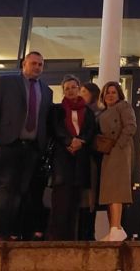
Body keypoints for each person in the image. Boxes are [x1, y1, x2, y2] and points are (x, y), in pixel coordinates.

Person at [0, 51, 53, 241]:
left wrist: (43, 146)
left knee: (24, 190)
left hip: (32, 148)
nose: (37, 67)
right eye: (33, 63)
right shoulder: (6, 82)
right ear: (24, 64)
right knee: (5, 188)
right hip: (9, 144)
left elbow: (44, 119)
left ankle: (16, 232)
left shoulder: (46, 91)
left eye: (40, 64)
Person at [45, 75, 95, 240]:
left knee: (75, 202)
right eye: (67, 88)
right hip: (62, 159)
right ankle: (56, 239)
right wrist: (69, 141)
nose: (71, 91)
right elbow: (56, 128)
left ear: (79, 89)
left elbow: (90, 130)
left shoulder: (88, 111)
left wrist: (81, 141)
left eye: (73, 87)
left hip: (80, 160)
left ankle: (71, 239)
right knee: (60, 202)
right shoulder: (57, 110)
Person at [97, 81, 136, 242]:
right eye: (107, 92)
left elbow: (130, 126)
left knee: (116, 190)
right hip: (108, 151)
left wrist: (119, 144)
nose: (110, 95)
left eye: (114, 92)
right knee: (109, 191)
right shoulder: (103, 112)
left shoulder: (123, 107)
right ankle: (115, 228)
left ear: (119, 94)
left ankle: (116, 227)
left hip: (118, 151)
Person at [78, 81, 102, 241]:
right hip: (80, 158)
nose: (80, 95)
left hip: (91, 159)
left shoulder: (98, 113)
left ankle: (88, 232)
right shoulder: (79, 111)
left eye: (84, 92)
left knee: (89, 197)